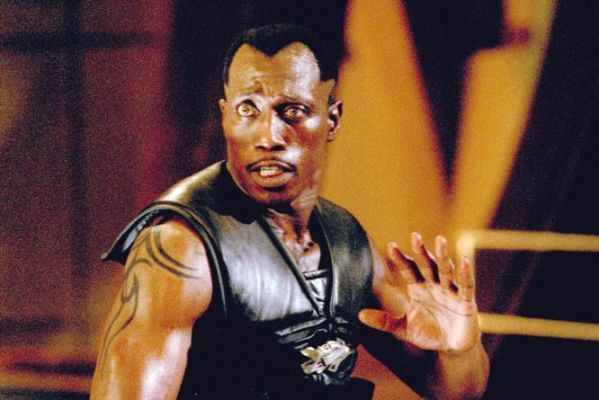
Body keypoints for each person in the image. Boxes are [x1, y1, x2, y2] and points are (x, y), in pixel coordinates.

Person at [90, 23, 489, 400]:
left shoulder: (348, 244)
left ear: (331, 120)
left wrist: (459, 350)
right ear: (226, 117)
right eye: (248, 109)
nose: (269, 136)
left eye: (292, 111)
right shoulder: (181, 249)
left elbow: (455, 391)